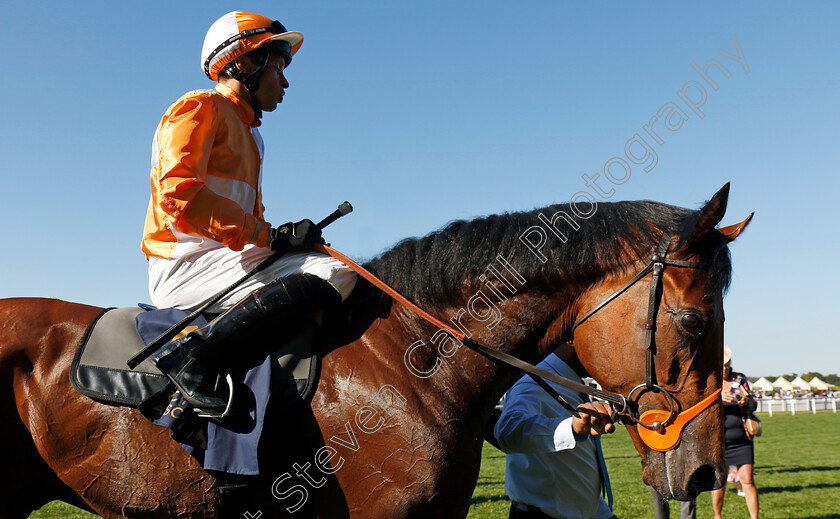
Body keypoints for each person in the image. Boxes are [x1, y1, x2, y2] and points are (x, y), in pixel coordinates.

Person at [142, 11, 355, 414]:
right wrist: (271, 237)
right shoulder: (198, 108)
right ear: (244, 63)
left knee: (321, 259)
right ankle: (194, 357)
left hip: (217, 260)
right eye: (278, 66)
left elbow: (243, 228)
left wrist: (287, 238)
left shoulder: (253, 137)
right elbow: (179, 196)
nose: (286, 81)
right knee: (335, 273)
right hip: (183, 265)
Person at [493, 344, 617, 519]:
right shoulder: (532, 380)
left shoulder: (568, 378)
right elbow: (508, 431)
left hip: (591, 512)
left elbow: (573, 463)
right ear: (571, 340)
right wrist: (571, 429)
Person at [711, 345, 759, 519]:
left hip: (742, 439)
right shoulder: (710, 382)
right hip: (719, 441)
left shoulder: (739, 379)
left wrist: (746, 402)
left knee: (747, 480)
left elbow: (754, 404)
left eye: (727, 365)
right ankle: (717, 516)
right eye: (721, 365)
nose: (724, 369)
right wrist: (717, 398)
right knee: (720, 482)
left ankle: (755, 517)